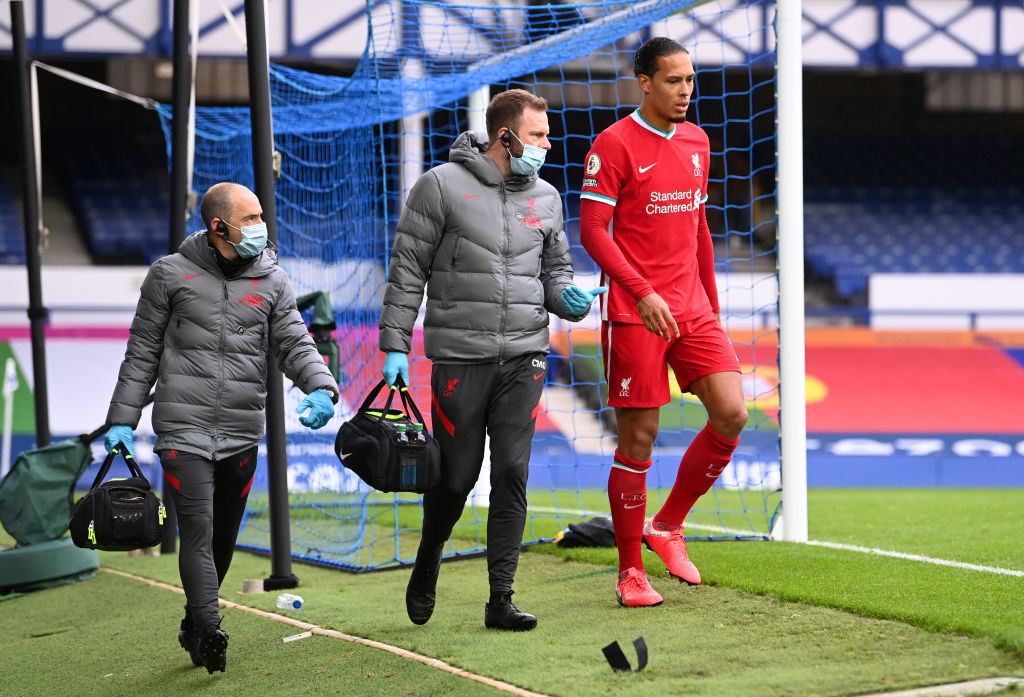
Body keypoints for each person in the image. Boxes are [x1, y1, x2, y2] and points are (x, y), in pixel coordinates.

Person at [379, 88, 605, 631]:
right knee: (456, 480)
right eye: (538, 136)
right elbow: (408, 270)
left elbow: (554, 274)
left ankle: (500, 598)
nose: (548, 145)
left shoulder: (548, 198)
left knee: (511, 473)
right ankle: (429, 558)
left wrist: (567, 298)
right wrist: (393, 345)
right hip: (461, 357)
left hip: (526, 356)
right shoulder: (439, 186)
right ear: (505, 136)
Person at [103, 182, 339, 672]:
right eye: (250, 218)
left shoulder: (273, 280)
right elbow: (142, 352)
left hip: (241, 432)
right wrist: (122, 420)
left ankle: (194, 620)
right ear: (218, 227)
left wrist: (319, 386)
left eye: (259, 217)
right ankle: (211, 631)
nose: (261, 227)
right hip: (181, 431)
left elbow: (295, 342)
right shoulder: (168, 275)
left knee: (224, 540)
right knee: (198, 532)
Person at [578, 37, 748, 607]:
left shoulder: (698, 141)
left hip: (692, 306)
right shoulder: (613, 144)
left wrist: (713, 308)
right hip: (635, 310)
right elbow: (593, 233)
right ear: (645, 82)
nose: (685, 92)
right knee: (639, 439)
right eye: (674, 81)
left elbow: (699, 227)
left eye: (691, 81)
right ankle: (630, 572)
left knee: (732, 412)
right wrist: (643, 291)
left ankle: (667, 524)